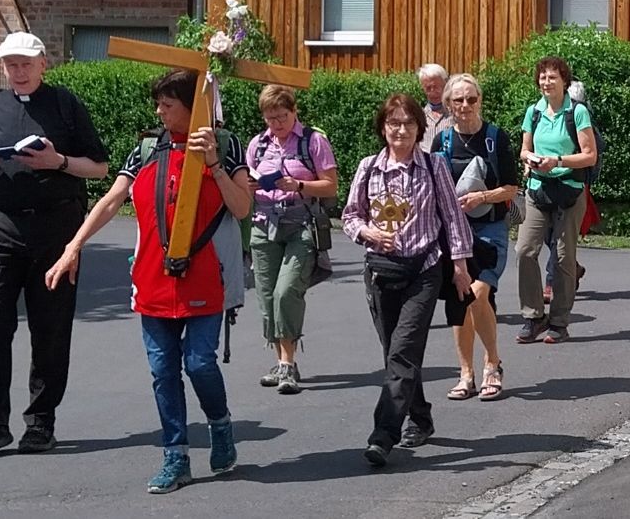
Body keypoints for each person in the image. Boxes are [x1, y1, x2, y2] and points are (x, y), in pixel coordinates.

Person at [44, 69, 251, 494]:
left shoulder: (228, 146)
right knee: (162, 370)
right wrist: (74, 246)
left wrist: (213, 164)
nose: (158, 111)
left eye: (167, 104)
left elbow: (243, 207)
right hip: (153, 278)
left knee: (199, 363)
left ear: (193, 109)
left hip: (205, 277)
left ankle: (220, 426)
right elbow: (111, 199)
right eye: (157, 103)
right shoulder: (145, 150)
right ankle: (175, 457)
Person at [0, 31, 110, 461]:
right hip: (1, 229)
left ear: (44, 64)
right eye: (10, 65)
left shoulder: (65, 106)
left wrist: (57, 161)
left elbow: (99, 168)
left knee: (50, 330)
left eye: (25, 64)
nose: (18, 72)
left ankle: (41, 423)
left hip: (55, 233)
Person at [342, 93, 475, 467]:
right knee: (396, 355)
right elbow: (351, 215)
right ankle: (420, 417)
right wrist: (369, 233)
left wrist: (461, 267)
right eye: (394, 123)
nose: (401, 130)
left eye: (409, 124)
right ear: (383, 128)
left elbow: (452, 218)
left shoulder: (434, 167)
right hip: (381, 272)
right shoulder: (369, 167)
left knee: (402, 352)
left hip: (424, 270)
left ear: (419, 129)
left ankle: (383, 435)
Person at [246, 85, 338, 395]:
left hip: (300, 224)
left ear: (294, 111)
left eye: (282, 117)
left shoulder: (313, 141)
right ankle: (280, 362)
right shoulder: (258, 145)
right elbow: (246, 183)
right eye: (270, 118)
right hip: (263, 224)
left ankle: (288, 364)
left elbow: (330, 187)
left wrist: (297, 184)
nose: (276, 124)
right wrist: (247, 184)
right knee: (267, 296)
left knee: (287, 292)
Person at [431, 74, 518, 402]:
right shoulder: (442, 142)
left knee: (478, 294)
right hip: (454, 232)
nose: (465, 106)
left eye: (471, 99)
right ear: (448, 104)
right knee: (460, 298)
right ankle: (466, 373)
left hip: (490, 229)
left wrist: (483, 198)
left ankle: (492, 364)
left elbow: (512, 188)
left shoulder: (497, 138)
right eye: (458, 100)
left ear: (480, 100)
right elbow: (434, 184)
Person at [515, 56, 597, 345]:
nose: (546, 82)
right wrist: (532, 161)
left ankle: (559, 322)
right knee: (525, 250)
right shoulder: (533, 112)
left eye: (552, 77)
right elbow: (524, 150)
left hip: (570, 190)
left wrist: (558, 160)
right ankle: (534, 316)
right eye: (542, 77)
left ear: (565, 81)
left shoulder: (577, 113)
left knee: (563, 259)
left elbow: (590, 155)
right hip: (538, 190)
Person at [542, 79, 594, 304]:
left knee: (559, 239)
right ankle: (574, 268)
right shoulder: (543, 114)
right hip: (544, 186)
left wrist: (579, 174)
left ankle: (552, 282)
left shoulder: (580, 118)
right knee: (547, 236)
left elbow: (593, 154)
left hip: (573, 186)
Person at [417, 63, 451, 150]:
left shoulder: (456, 114)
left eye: (436, 87)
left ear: (446, 84)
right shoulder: (419, 116)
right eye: (428, 88)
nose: (433, 92)